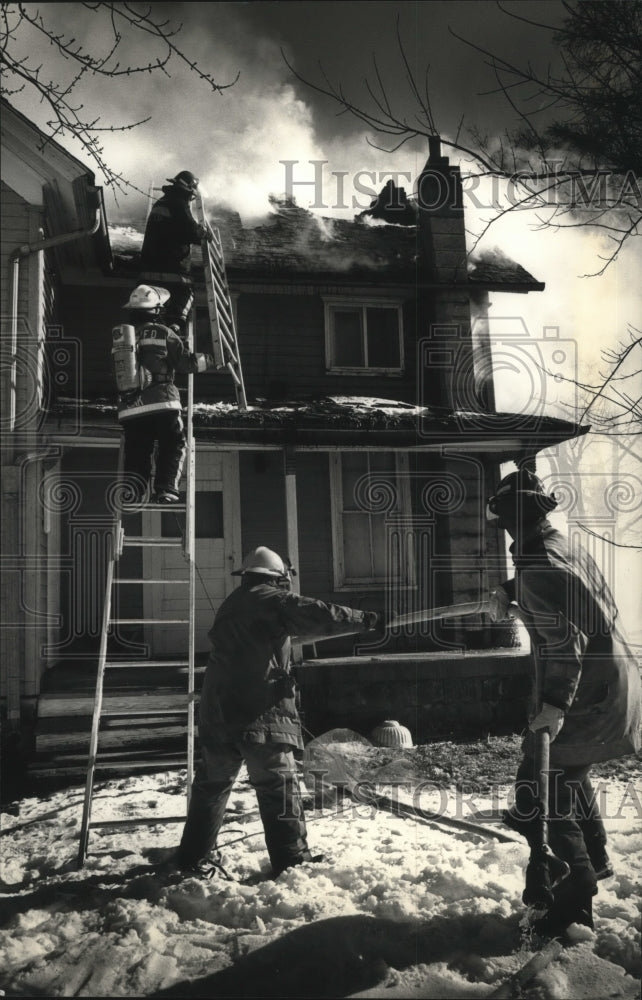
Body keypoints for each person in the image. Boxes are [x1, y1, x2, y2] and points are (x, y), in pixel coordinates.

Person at [486, 469, 641, 936]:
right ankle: (593, 857)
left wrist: (553, 704)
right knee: (566, 775)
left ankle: (575, 893)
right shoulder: (556, 547)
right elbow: (572, 594)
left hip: (587, 687)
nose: (508, 527)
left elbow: (564, 645)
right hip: (615, 676)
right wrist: (511, 593)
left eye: (509, 517)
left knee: (547, 786)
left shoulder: (539, 569)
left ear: (515, 518)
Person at [171, 546, 381, 879]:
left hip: (218, 715)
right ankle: (292, 861)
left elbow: (288, 632)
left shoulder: (235, 605)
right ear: (277, 579)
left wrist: (355, 628)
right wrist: (367, 620)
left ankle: (190, 859)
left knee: (211, 788)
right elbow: (316, 612)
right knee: (277, 787)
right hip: (259, 715)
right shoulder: (273, 600)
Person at [115, 284, 215, 503]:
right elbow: (187, 364)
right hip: (162, 403)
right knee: (174, 444)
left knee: (137, 451)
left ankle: (133, 491)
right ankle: (165, 489)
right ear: (157, 310)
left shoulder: (122, 337)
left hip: (130, 408)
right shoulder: (163, 333)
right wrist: (213, 359)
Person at [140, 170, 208, 331]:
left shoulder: (161, 203)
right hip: (174, 272)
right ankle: (174, 329)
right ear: (188, 190)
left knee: (150, 314)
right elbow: (192, 232)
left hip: (148, 272)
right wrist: (204, 233)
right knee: (184, 297)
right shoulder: (179, 204)